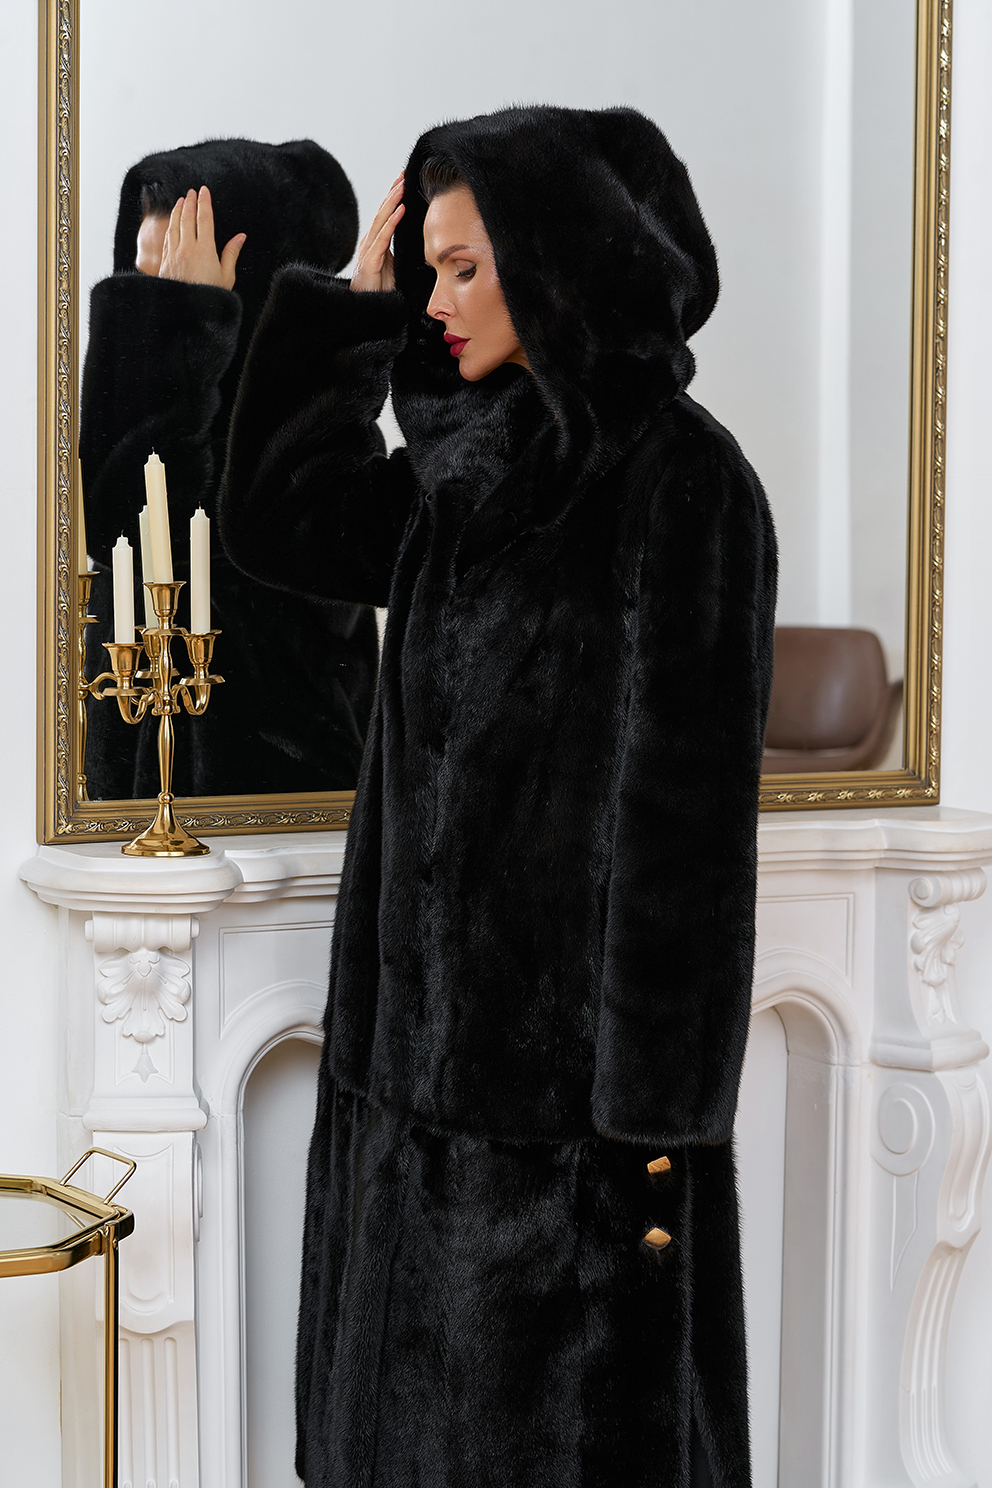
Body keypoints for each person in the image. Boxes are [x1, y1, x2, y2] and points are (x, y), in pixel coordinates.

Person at [220, 105, 777, 1488]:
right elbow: (279, 524)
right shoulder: (458, 475)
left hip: (565, 1171)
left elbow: (689, 858)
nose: (439, 301)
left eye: (467, 268)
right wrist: (348, 310)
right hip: (398, 1123)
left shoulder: (687, 486)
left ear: (558, 259)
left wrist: (648, 1165)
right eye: (433, 270)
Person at [79, 138, 380, 799]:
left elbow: (169, 531)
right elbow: (116, 526)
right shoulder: (157, 409)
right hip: (126, 796)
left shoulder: (312, 418)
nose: (151, 302)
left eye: (175, 278)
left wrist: (187, 331)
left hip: (273, 807)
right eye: (143, 279)